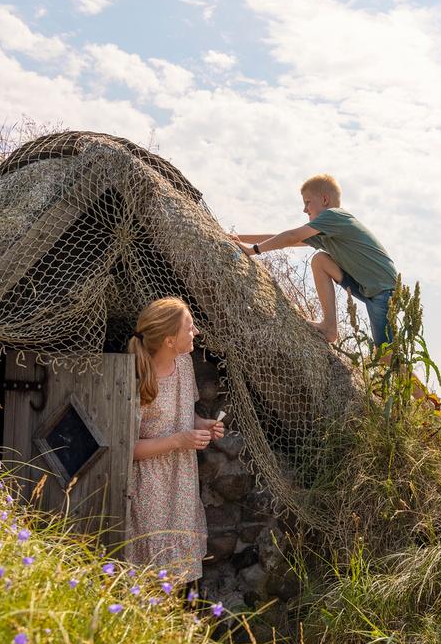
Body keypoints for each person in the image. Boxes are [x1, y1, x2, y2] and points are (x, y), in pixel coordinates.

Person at [232, 173, 397, 347]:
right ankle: (329, 327)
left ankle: (409, 375)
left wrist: (253, 250)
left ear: (325, 199)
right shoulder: (325, 232)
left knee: (387, 355)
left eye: (307, 202)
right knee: (320, 260)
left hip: (382, 289)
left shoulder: (334, 216)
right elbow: (284, 238)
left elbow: (291, 236)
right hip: (368, 288)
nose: (304, 210)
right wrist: (238, 237)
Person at [125, 297, 225, 583]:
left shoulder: (183, 365)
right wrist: (179, 440)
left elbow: (182, 414)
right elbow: (129, 449)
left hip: (181, 486)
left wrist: (203, 425)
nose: (196, 333)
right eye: (189, 327)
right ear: (170, 340)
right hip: (150, 490)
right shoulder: (138, 378)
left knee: (177, 580)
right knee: (148, 580)